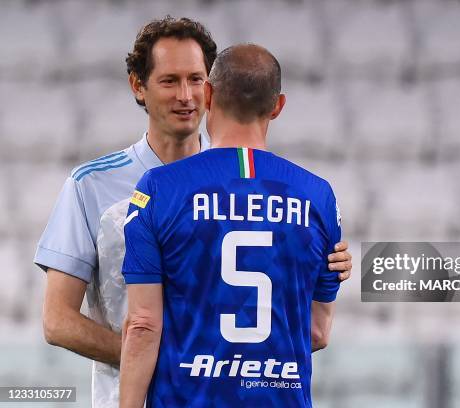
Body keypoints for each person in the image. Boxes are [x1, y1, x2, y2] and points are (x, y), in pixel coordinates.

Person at [34, 17, 352, 408]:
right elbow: (57, 321)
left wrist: (325, 264)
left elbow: (292, 319)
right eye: (169, 81)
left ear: (212, 89)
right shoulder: (90, 186)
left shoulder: (246, 184)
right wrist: (167, 359)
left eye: (196, 80)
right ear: (139, 86)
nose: (186, 95)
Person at [120, 43, 342, 408]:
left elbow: (144, 325)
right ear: (278, 106)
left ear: (207, 93)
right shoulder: (319, 197)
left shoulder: (158, 189)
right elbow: (317, 332)